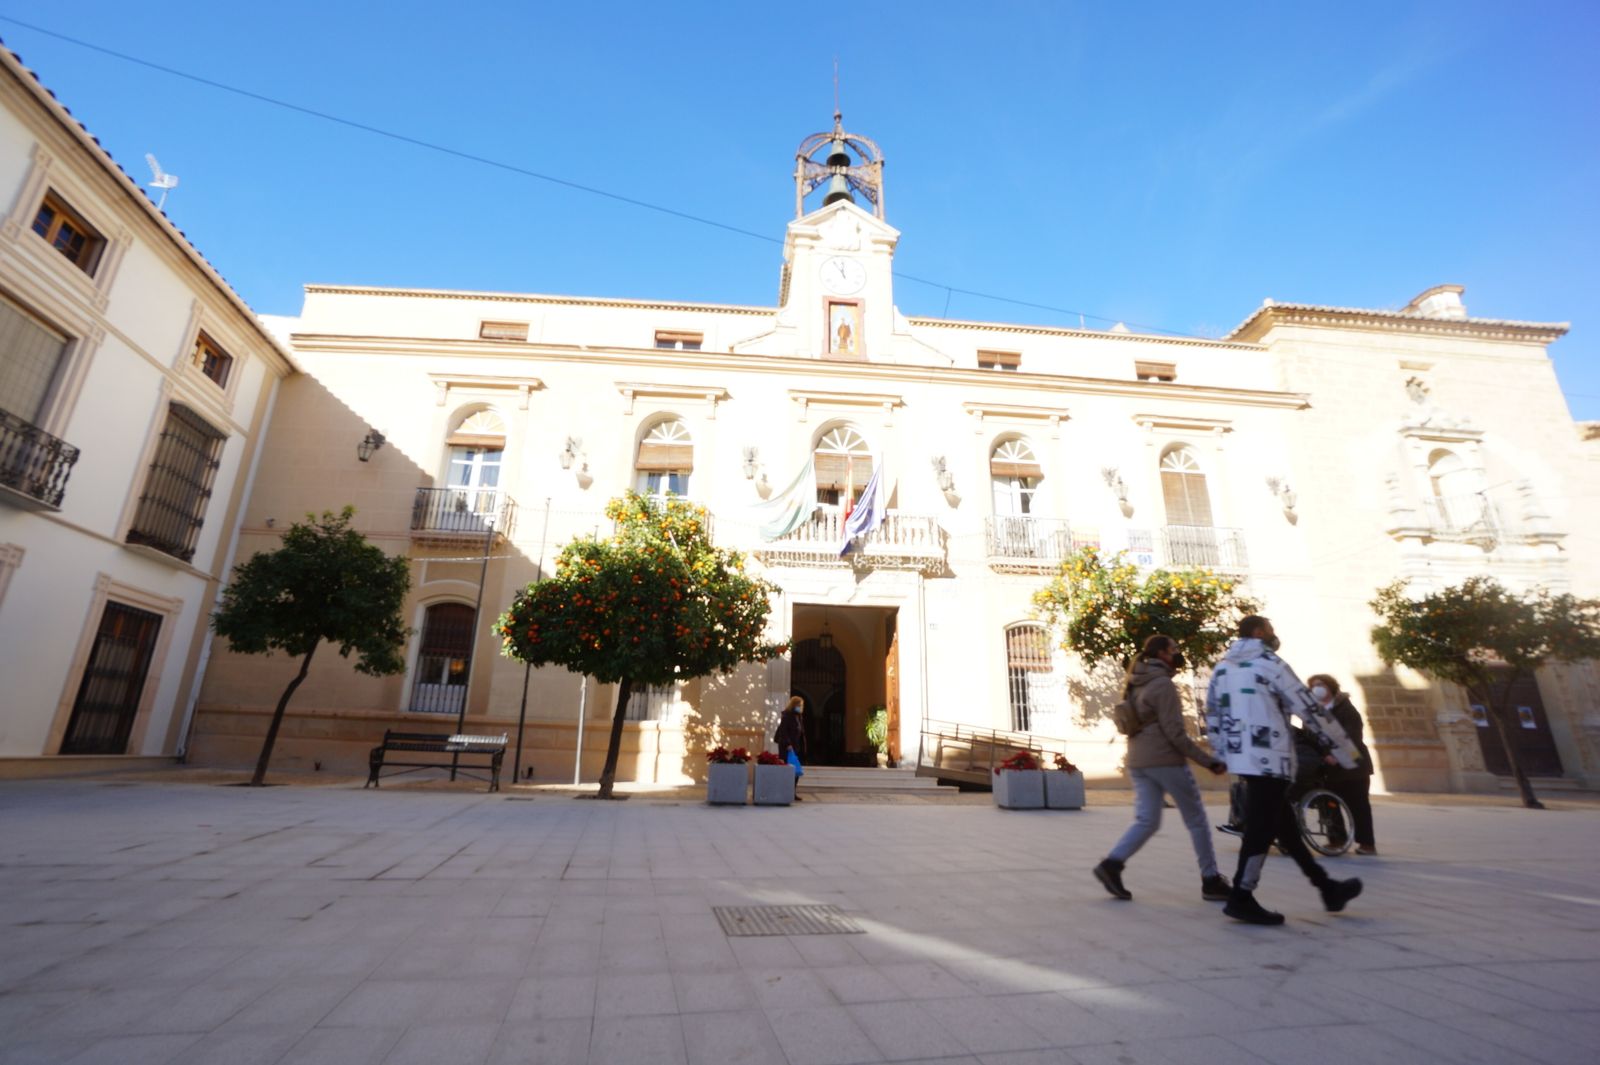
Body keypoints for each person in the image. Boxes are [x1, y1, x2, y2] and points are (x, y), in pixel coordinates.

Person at [1205, 615, 1365, 925]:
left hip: (1243, 758)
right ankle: (1241, 896)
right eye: (1270, 628)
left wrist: (1221, 752)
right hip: (1270, 758)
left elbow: (1213, 712)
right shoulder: (1270, 663)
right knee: (1261, 830)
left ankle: (1327, 888)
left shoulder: (1222, 668)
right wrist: (1346, 751)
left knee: (1286, 828)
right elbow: (1309, 708)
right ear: (1259, 632)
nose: (1274, 634)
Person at [1093, 635, 1232, 904]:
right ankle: (1211, 879)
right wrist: (1209, 761)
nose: (1178, 654)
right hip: (1165, 760)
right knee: (1197, 820)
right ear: (1162, 654)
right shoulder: (1163, 684)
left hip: (1138, 760)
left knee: (1147, 819)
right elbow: (1175, 734)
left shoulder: (1135, 681)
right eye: (1174, 649)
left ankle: (1112, 864)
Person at [1307, 674, 1377, 855]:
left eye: (1321, 684)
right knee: (1328, 804)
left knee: (1358, 805)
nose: (1317, 688)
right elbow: (1310, 737)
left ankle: (1366, 843)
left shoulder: (1346, 709)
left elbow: (1353, 736)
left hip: (1353, 767)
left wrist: (1337, 755)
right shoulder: (1313, 713)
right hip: (1328, 768)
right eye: (1313, 686)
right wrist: (1322, 755)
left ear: (1331, 687)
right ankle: (1336, 839)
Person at [775, 695, 807, 801]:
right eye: (799, 705)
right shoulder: (787, 716)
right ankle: (784, 792)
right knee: (787, 771)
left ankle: (792, 792)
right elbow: (783, 731)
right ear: (794, 705)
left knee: (796, 771)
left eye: (801, 705)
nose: (801, 707)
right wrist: (788, 744)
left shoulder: (799, 716)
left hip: (797, 747)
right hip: (787, 748)